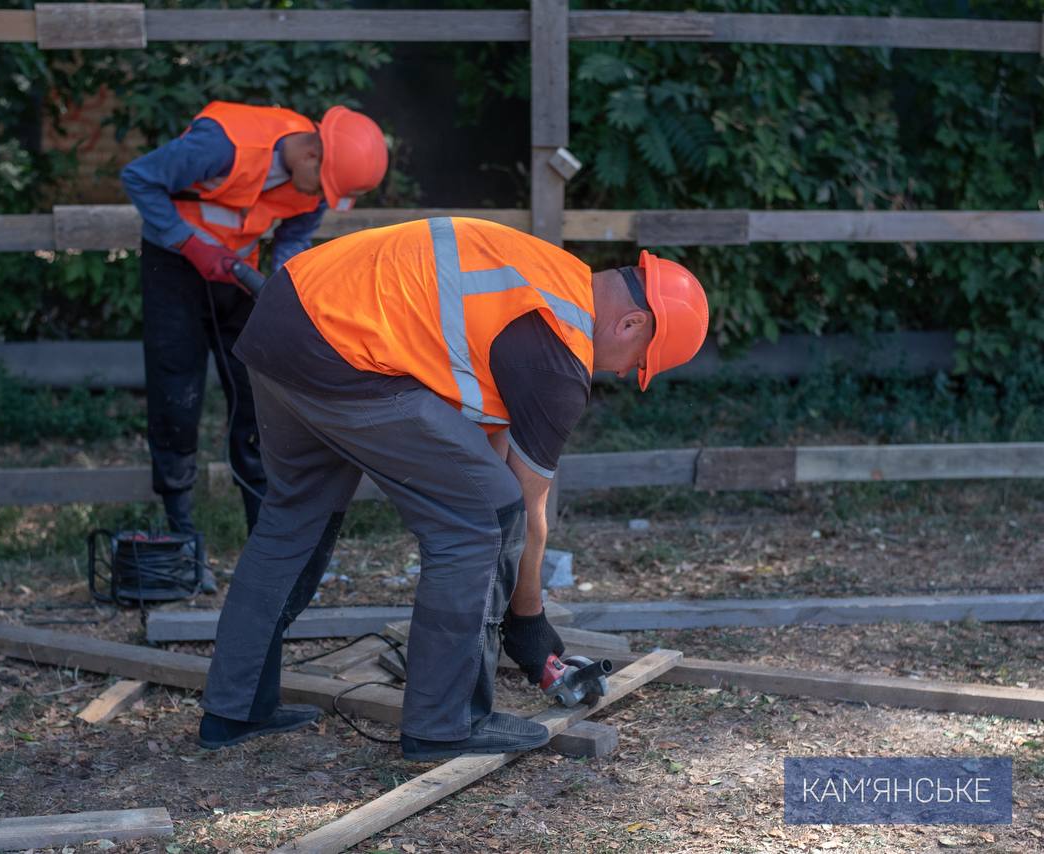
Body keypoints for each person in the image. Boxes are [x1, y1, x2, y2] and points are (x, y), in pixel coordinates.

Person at [197, 216, 709, 759]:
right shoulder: (560, 351)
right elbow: (524, 508)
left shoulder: (546, 276)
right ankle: (444, 724)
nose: (628, 374)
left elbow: (478, 457)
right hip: (341, 349)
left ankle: (236, 708)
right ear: (631, 323)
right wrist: (529, 625)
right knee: (484, 521)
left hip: (285, 317)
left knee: (294, 517)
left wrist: (517, 608)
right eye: (641, 363)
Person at [120, 100, 388, 591]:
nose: (321, 198)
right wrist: (188, 243)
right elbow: (139, 178)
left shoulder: (319, 184)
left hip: (236, 272)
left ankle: (265, 545)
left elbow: (293, 235)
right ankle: (181, 536)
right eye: (322, 187)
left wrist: (286, 288)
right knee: (176, 394)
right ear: (311, 155)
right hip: (173, 268)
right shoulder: (221, 146)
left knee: (257, 397)